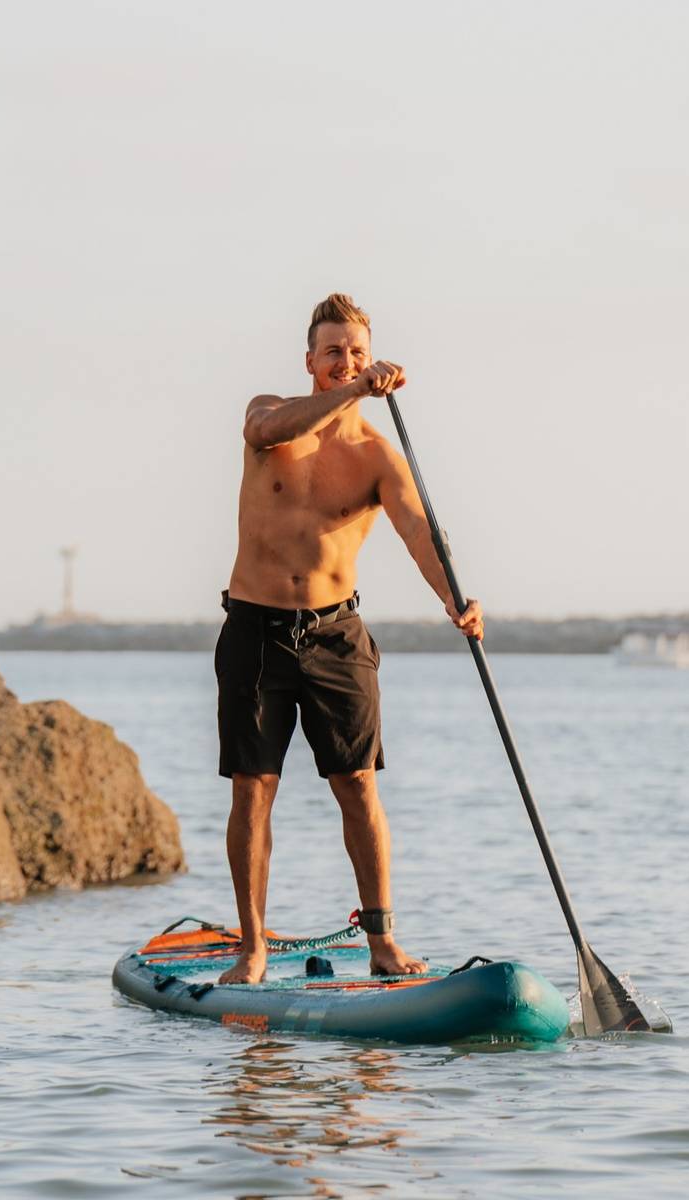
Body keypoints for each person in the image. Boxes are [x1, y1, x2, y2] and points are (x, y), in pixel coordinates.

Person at [215, 293, 484, 984]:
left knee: (358, 784)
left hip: (337, 637)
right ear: (310, 360)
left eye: (358, 352)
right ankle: (251, 950)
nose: (347, 362)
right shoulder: (270, 415)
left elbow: (420, 532)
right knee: (253, 788)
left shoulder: (376, 456)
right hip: (256, 629)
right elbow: (264, 430)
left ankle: (383, 941)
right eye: (333, 351)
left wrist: (456, 600)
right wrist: (355, 390)